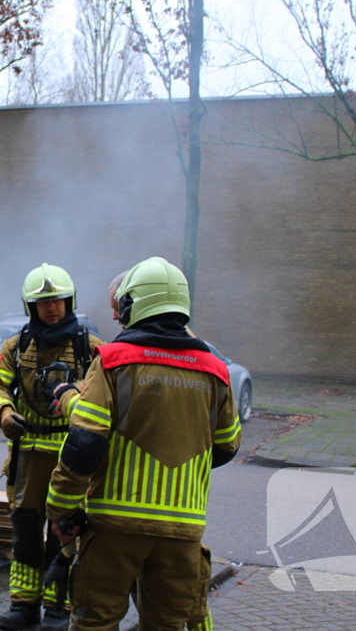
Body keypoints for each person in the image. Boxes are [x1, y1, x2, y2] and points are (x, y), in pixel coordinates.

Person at [47, 257, 241, 631]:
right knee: (167, 624)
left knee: (95, 623)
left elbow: (84, 444)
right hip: (181, 533)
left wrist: (61, 508)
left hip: (113, 530)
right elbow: (226, 446)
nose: (117, 315)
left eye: (122, 306)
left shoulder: (114, 361)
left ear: (135, 304)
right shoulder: (215, 370)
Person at [0, 263, 104, 631]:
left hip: (71, 457)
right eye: (43, 303)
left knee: (64, 529)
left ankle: (58, 607)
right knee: (25, 530)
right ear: (31, 306)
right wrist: (4, 413)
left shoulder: (91, 347)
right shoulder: (16, 345)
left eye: (57, 301)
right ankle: (24, 605)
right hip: (27, 456)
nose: (51, 308)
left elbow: (103, 398)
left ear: (70, 302)